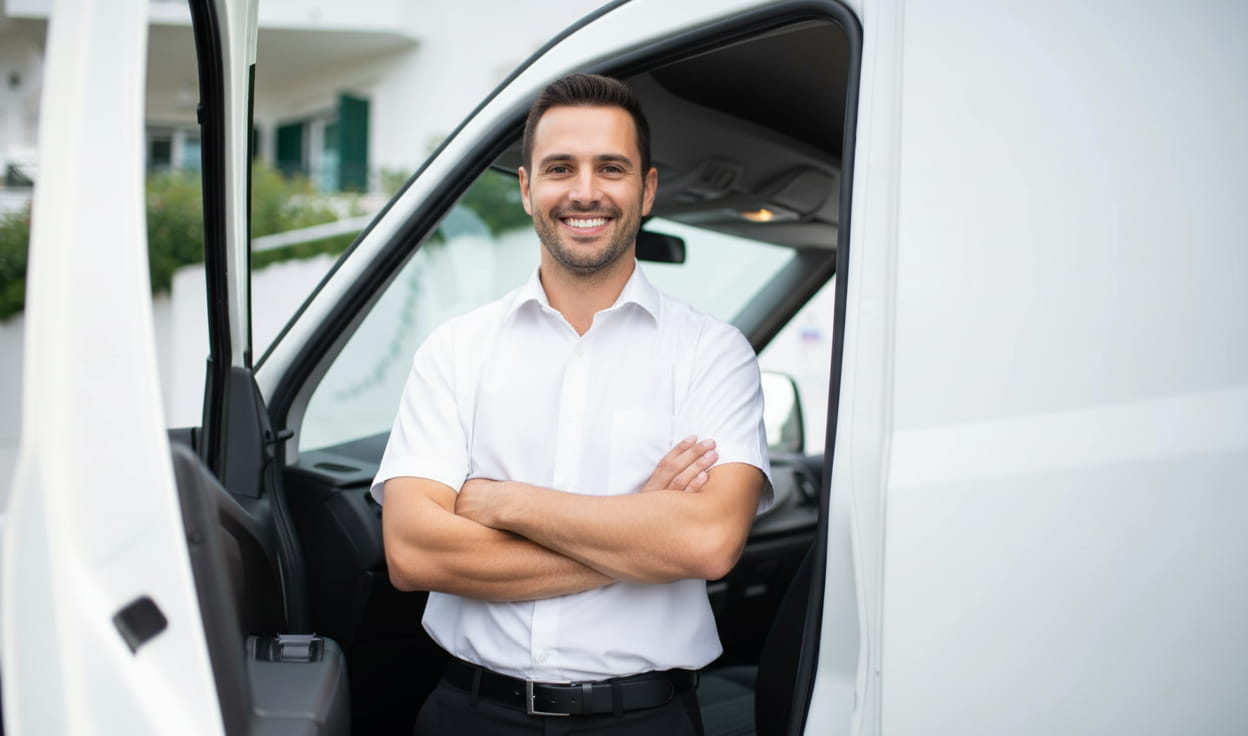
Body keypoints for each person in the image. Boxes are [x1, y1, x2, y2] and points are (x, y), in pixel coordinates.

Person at [373, 72, 771, 736]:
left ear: (645, 191)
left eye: (610, 168)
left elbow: (706, 542)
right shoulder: (454, 350)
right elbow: (414, 554)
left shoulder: (714, 353)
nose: (584, 191)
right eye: (561, 168)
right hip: (470, 717)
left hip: (646, 721)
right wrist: (642, 530)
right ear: (528, 187)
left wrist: (502, 503)